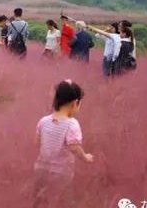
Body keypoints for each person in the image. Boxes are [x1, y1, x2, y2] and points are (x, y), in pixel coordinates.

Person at [33, 79, 94, 208]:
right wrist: (85, 157)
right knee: (62, 200)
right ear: (75, 103)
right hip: (61, 172)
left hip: (41, 169)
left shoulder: (43, 121)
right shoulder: (72, 124)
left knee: (40, 199)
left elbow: (37, 142)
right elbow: (74, 147)